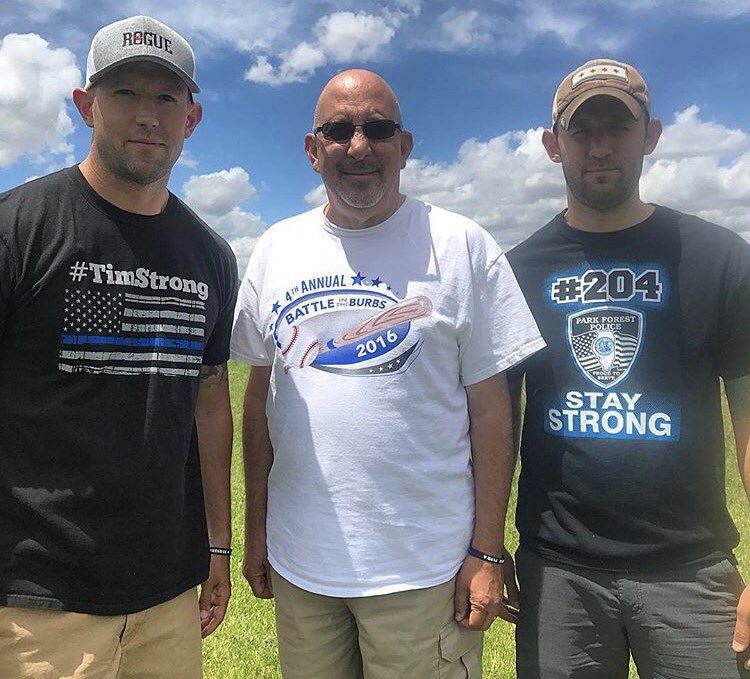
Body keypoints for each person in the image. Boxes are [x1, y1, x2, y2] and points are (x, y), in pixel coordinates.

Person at [230, 69, 544, 678]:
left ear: (404, 146)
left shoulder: (462, 246)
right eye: (338, 130)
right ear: (311, 148)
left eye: (377, 129)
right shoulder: (275, 248)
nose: (358, 146)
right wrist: (257, 529)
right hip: (303, 568)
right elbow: (260, 400)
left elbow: (493, 411)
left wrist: (486, 548)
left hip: (422, 569)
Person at [0, 15, 237, 679]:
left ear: (191, 119)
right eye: (125, 93)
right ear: (86, 105)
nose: (147, 117)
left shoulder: (211, 255)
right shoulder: (18, 229)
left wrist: (217, 545)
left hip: (165, 599)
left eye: (166, 99)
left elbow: (210, 397)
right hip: (37, 602)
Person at [506, 58, 750, 678]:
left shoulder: (719, 258)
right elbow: (493, 429)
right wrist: (482, 548)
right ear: (552, 144)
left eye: (619, 126)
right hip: (558, 569)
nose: (600, 146)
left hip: (690, 568)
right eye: (582, 130)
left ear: (652, 135)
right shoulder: (515, 270)